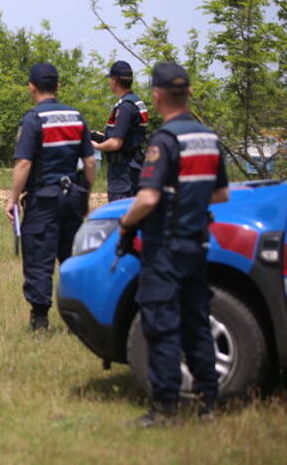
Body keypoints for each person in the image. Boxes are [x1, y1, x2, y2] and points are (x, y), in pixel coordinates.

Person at [116, 62, 229, 427]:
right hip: (196, 245)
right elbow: (221, 194)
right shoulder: (208, 138)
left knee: (162, 324)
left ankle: (165, 408)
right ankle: (208, 402)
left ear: (158, 95)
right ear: (189, 92)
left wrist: (125, 223)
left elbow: (147, 198)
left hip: (164, 247)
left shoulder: (164, 141)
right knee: (196, 322)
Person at [5, 63, 96, 332]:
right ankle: (78, 320)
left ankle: (41, 320)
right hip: (73, 197)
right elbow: (90, 162)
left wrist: (12, 199)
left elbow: (24, 164)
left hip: (44, 199)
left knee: (39, 259)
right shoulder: (76, 117)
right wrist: (86, 196)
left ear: (31, 87)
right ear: (58, 86)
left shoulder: (33, 119)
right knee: (72, 259)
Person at [92, 60, 149, 201]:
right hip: (133, 168)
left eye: (110, 80)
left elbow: (116, 143)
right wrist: (99, 136)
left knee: (119, 217)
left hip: (123, 174)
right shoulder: (135, 102)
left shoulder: (125, 107)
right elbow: (128, 135)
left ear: (115, 81)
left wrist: (97, 146)